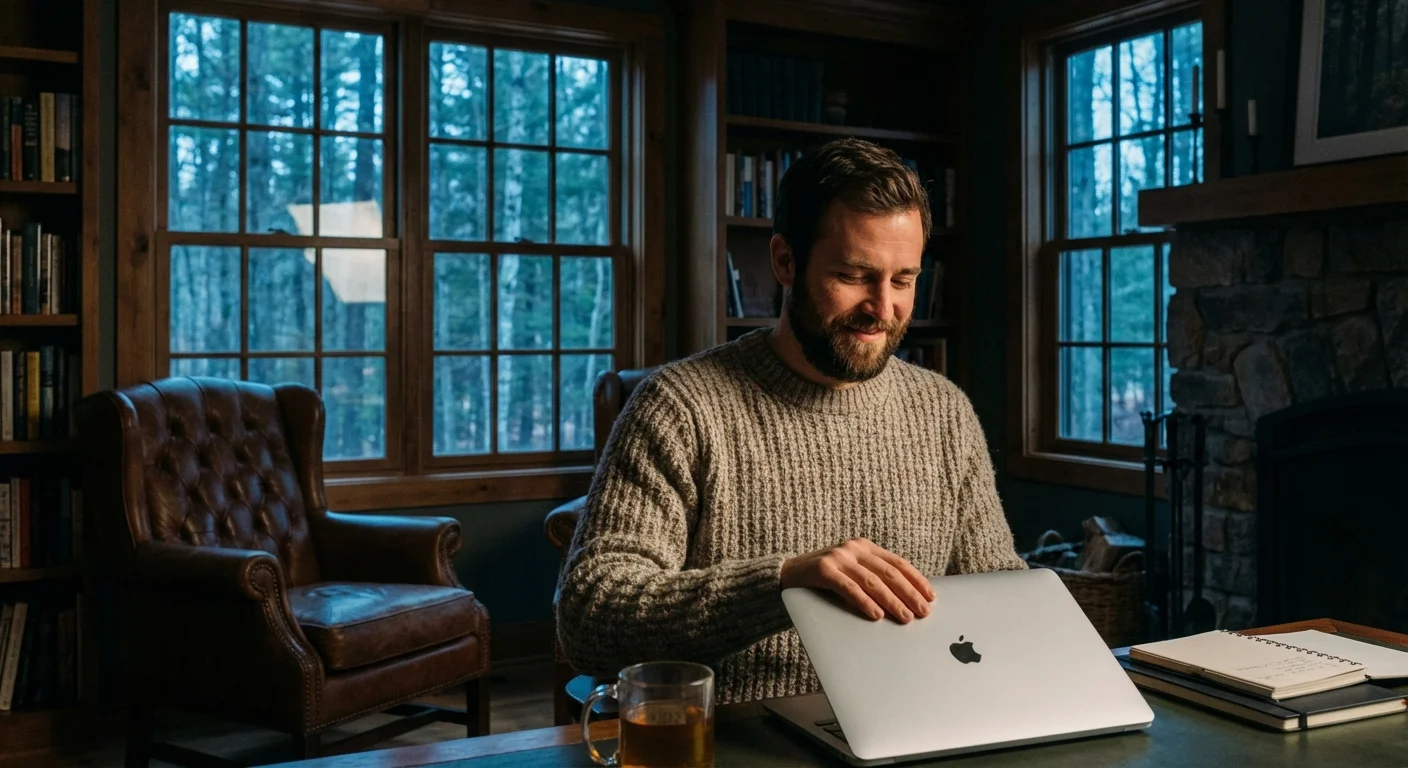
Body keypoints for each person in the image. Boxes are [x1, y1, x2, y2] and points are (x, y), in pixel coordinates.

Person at [555, 137, 1026, 706]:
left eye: (903, 280)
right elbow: (590, 617)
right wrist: (782, 583)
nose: (884, 308)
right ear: (784, 261)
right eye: (855, 275)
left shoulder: (944, 412)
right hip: (734, 737)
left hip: (913, 724)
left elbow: (998, 592)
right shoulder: (679, 405)